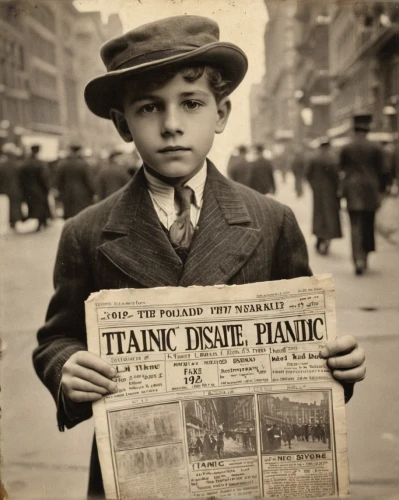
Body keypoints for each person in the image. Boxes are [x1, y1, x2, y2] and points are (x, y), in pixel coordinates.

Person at [32, 16, 366, 498]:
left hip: (250, 479)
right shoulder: (85, 233)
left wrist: (337, 366)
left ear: (222, 113)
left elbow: (305, 348)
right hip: (138, 474)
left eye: (191, 103)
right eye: (149, 108)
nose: (171, 125)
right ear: (123, 124)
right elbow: (56, 336)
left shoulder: (272, 221)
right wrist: (67, 368)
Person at [339, 114, 386, 275]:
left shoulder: (346, 148)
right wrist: (382, 191)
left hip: (352, 191)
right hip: (371, 191)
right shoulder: (376, 147)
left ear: (354, 129)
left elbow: (341, 169)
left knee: (355, 225)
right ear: (367, 129)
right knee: (368, 225)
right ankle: (364, 257)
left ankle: (357, 258)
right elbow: (383, 171)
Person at [306, 138, 342, 255]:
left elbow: (307, 174)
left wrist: (313, 186)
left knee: (318, 215)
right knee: (330, 216)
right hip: (330, 192)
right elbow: (336, 177)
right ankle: (327, 240)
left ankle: (319, 238)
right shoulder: (332, 159)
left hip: (318, 192)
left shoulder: (314, 158)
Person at [55, 143, 95, 219]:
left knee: (69, 216)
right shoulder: (83, 164)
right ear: (78, 151)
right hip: (82, 195)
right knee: (80, 216)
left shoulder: (62, 164)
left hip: (67, 194)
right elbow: (89, 181)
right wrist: (92, 193)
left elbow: (58, 181)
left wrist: (61, 193)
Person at [19, 144, 51, 231]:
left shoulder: (25, 163)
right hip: (40, 189)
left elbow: (21, 178)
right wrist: (47, 187)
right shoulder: (41, 163)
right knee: (41, 205)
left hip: (28, 189)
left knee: (33, 207)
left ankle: (40, 223)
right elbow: (44, 177)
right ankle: (42, 223)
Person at [0, 142, 23, 229]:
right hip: (16, 188)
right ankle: (14, 221)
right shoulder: (18, 164)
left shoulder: (2, 164)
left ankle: (11, 222)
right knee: (15, 205)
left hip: (4, 189)